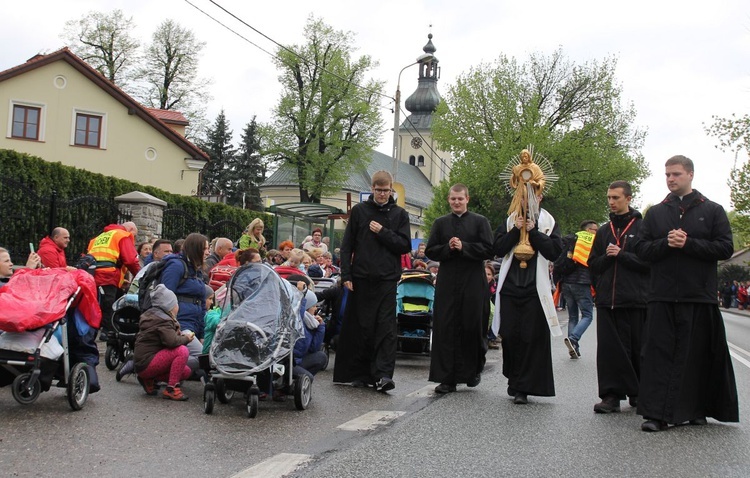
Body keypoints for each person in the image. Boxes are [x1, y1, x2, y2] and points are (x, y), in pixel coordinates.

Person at [633, 155, 738, 432]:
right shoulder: (655, 213)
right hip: (662, 295)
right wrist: (666, 243)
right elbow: (642, 252)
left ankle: (696, 409)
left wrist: (688, 243)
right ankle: (655, 414)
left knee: (696, 356)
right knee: (657, 356)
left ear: (690, 175)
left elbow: (725, 249)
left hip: (698, 295)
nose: (670, 179)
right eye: (667, 175)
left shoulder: (713, 210)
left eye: (676, 174)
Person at [493, 148, 562, 405]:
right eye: (524, 194)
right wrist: (516, 231)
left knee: (532, 338)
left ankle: (525, 386)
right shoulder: (511, 219)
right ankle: (514, 379)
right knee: (511, 336)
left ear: (540, 195)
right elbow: (497, 248)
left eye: (533, 193)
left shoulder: (549, 221)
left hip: (535, 289)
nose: (528, 198)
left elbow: (555, 251)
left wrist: (534, 233)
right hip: (511, 287)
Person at [333, 170, 411, 392]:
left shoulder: (400, 215)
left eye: (386, 191)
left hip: (387, 279)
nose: (382, 194)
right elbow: (347, 246)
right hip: (361, 278)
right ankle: (359, 374)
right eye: (378, 190)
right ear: (372, 189)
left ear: (391, 189)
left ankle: (383, 375)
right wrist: (345, 275)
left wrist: (383, 232)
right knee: (361, 326)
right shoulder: (359, 211)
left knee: (385, 328)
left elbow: (404, 245)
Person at [587, 181, 649, 413]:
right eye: (609, 198)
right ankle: (611, 396)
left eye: (616, 198)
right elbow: (593, 264)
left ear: (628, 199)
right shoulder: (603, 231)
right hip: (607, 300)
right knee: (609, 352)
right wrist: (609, 257)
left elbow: (649, 264)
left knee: (638, 349)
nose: (611, 202)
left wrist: (622, 255)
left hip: (636, 299)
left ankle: (639, 393)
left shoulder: (643, 228)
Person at [426, 184, 493, 394]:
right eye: (453, 199)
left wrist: (465, 247)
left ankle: (471, 371)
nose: (456, 202)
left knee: (471, 326)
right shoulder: (440, 223)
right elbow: (431, 250)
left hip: (473, 282)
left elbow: (489, 248)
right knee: (445, 327)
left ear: (467, 199)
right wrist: (448, 248)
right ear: (448, 200)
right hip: (448, 282)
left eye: (460, 199)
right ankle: (447, 378)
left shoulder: (480, 222)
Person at [133, 284, 193, 401]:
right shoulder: (163, 320)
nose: (178, 306)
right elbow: (172, 342)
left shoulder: (155, 316)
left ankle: (150, 379)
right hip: (147, 361)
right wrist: (186, 338)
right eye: (176, 304)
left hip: (143, 363)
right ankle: (171, 389)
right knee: (182, 351)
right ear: (170, 307)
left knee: (185, 372)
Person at [160, 233, 209, 372]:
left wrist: (201, 334)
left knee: (202, 360)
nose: (208, 252)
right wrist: (173, 327)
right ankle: (155, 367)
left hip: (192, 324)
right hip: (180, 324)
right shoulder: (176, 266)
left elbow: (201, 302)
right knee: (202, 358)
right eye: (205, 248)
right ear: (196, 249)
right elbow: (165, 296)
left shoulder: (196, 270)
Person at [87, 222, 140, 342]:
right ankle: (108, 332)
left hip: (92, 274)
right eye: (134, 235)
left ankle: (96, 331)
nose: (134, 239)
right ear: (130, 229)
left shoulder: (99, 237)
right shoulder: (123, 235)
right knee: (110, 305)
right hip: (108, 274)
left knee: (99, 304)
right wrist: (141, 275)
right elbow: (131, 260)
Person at [556, 220, 598, 359]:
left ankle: (574, 349)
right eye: (594, 229)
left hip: (566, 283)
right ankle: (574, 338)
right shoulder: (590, 242)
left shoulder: (572, 239)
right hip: (582, 282)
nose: (596, 232)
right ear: (588, 230)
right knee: (587, 315)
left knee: (573, 316)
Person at [293, 289, 328, 379]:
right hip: (290, 363)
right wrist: (301, 294)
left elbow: (314, 349)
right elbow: (299, 312)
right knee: (308, 378)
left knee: (321, 357)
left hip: (299, 360)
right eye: (314, 306)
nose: (316, 309)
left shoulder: (311, 323)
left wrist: (321, 327)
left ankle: (294, 383)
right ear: (307, 307)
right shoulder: (297, 321)